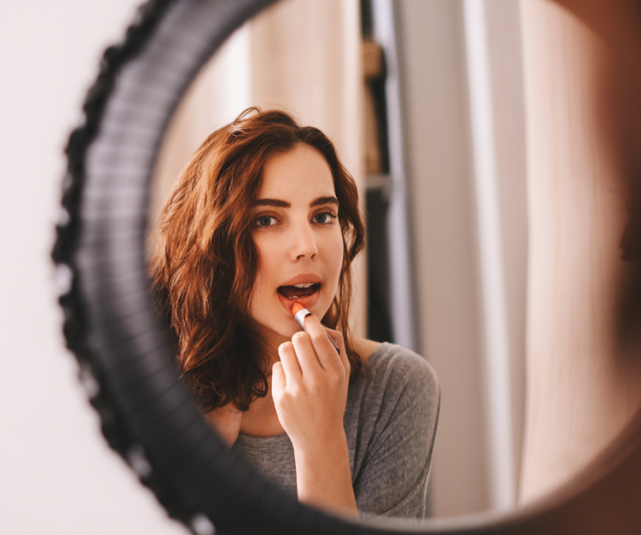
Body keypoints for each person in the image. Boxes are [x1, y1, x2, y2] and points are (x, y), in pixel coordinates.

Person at [149, 108, 440, 520]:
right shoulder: (151, 378)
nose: (307, 246)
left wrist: (320, 443)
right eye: (266, 220)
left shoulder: (396, 389)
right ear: (211, 244)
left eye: (323, 216)